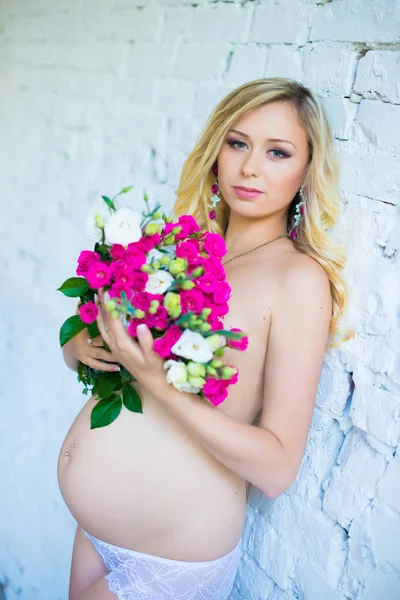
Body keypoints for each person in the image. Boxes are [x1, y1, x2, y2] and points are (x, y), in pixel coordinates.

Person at [58, 77, 354, 600]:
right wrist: (79, 347)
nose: (251, 167)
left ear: (307, 171)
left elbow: (278, 466)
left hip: (166, 560)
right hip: (95, 533)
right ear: (217, 150)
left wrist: (159, 381)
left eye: (278, 152)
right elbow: (108, 349)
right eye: (238, 143)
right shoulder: (181, 247)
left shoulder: (297, 279)